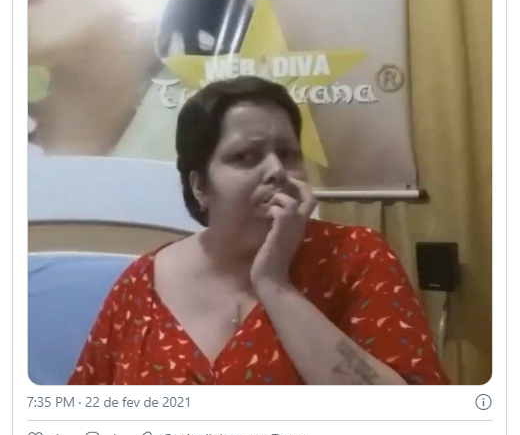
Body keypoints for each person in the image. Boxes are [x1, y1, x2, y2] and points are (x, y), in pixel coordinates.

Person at [68, 76, 447, 385]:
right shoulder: (141, 283)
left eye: (288, 154)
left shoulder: (355, 255)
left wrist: (274, 284)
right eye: (246, 157)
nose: (276, 171)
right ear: (200, 186)